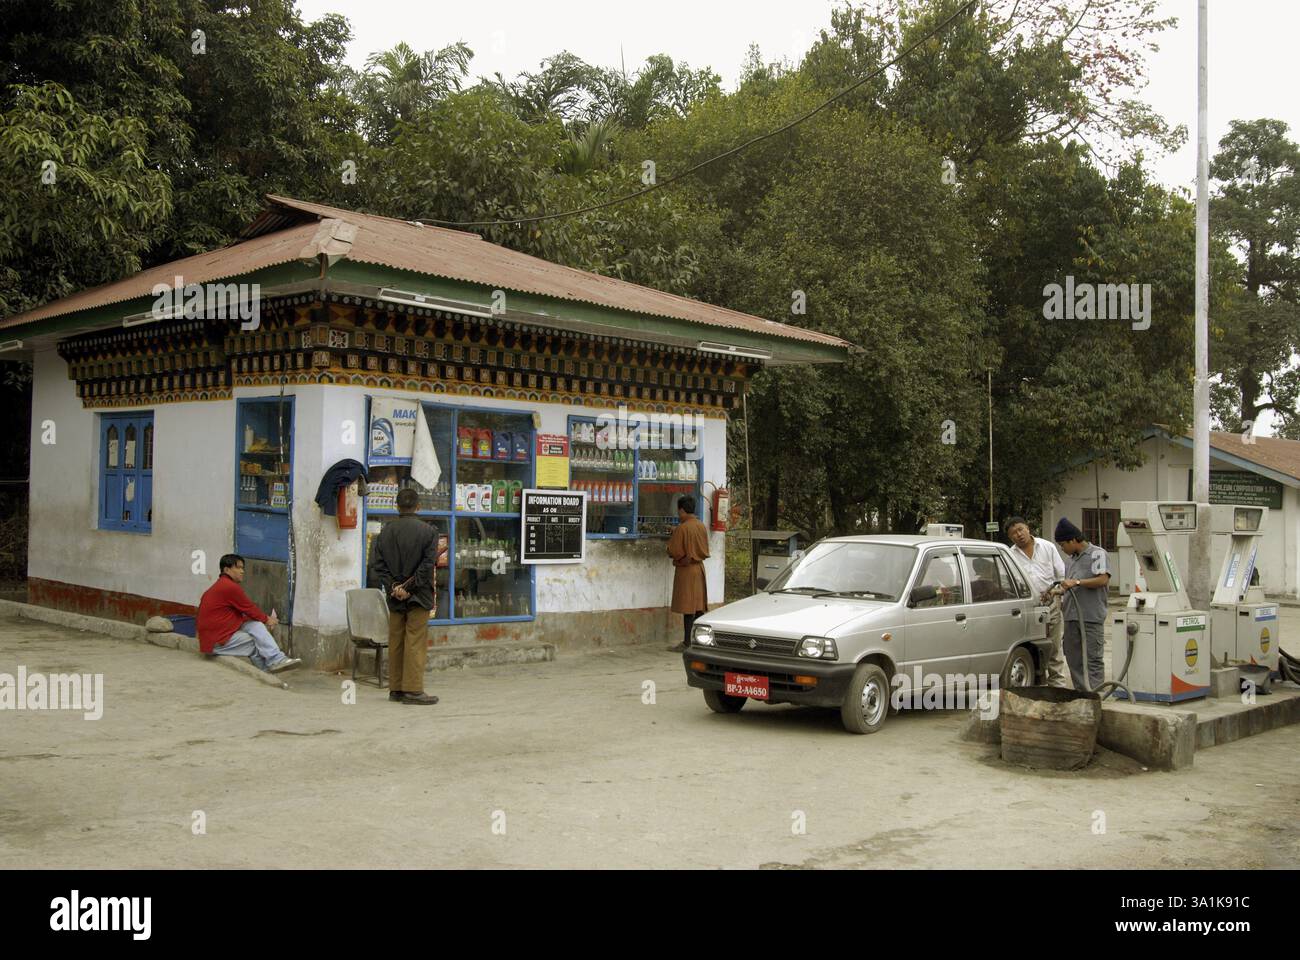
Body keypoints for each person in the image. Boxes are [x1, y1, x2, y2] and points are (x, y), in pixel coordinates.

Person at [371, 487, 439, 705]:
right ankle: (413, 690)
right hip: (418, 595)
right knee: (414, 641)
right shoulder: (428, 532)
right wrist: (409, 587)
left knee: (396, 640)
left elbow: (378, 566)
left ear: (397, 506)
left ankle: (396, 688)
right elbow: (427, 565)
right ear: (418, 506)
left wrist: (395, 587)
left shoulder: (385, 533)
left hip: (394, 596)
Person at [198, 554, 301, 672]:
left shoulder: (221, 586)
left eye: (243, 568)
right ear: (226, 570)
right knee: (255, 641)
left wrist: (263, 620)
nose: (242, 571)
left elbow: (241, 615)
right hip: (215, 642)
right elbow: (249, 608)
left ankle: (272, 665)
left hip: (215, 637)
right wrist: (267, 619)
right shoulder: (229, 587)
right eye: (238, 568)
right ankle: (272, 664)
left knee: (255, 626)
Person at [1005, 517, 1069, 687]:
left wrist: (1057, 592)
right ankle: (1036, 684)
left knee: (1054, 647)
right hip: (1027, 609)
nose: (1018, 535)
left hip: (1051, 605)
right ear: (1010, 538)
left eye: (1020, 529)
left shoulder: (1047, 547)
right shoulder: (1010, 555)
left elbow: (1061, 575)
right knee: (1033, 647)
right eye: (1013, 533)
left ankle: (1057, 686)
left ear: (1028, 528)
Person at [1054, 517, 1111, 691]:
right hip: (1071, 617)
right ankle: (1081, 695)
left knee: (1092, 660)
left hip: (1090, 617)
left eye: (1063, 545)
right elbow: (1069, 585)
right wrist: (1057, 591)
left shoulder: (1098, 554)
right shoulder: (1070, 560)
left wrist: (1077, 582)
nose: (1062, 549)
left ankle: (1095, 696)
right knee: (1073, 659)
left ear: (1073, 540)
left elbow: (1102, 579)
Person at [667, 495, 710, 652]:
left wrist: (674, 535)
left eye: (679, 512)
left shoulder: (683, 528)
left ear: (683, 510)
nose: (678, 515)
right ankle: (698, 641)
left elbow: (674, 551)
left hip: (686, 570)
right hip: (699, 569)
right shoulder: (700, 525)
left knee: (687, 608)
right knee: (698, 607)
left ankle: (687, 643)